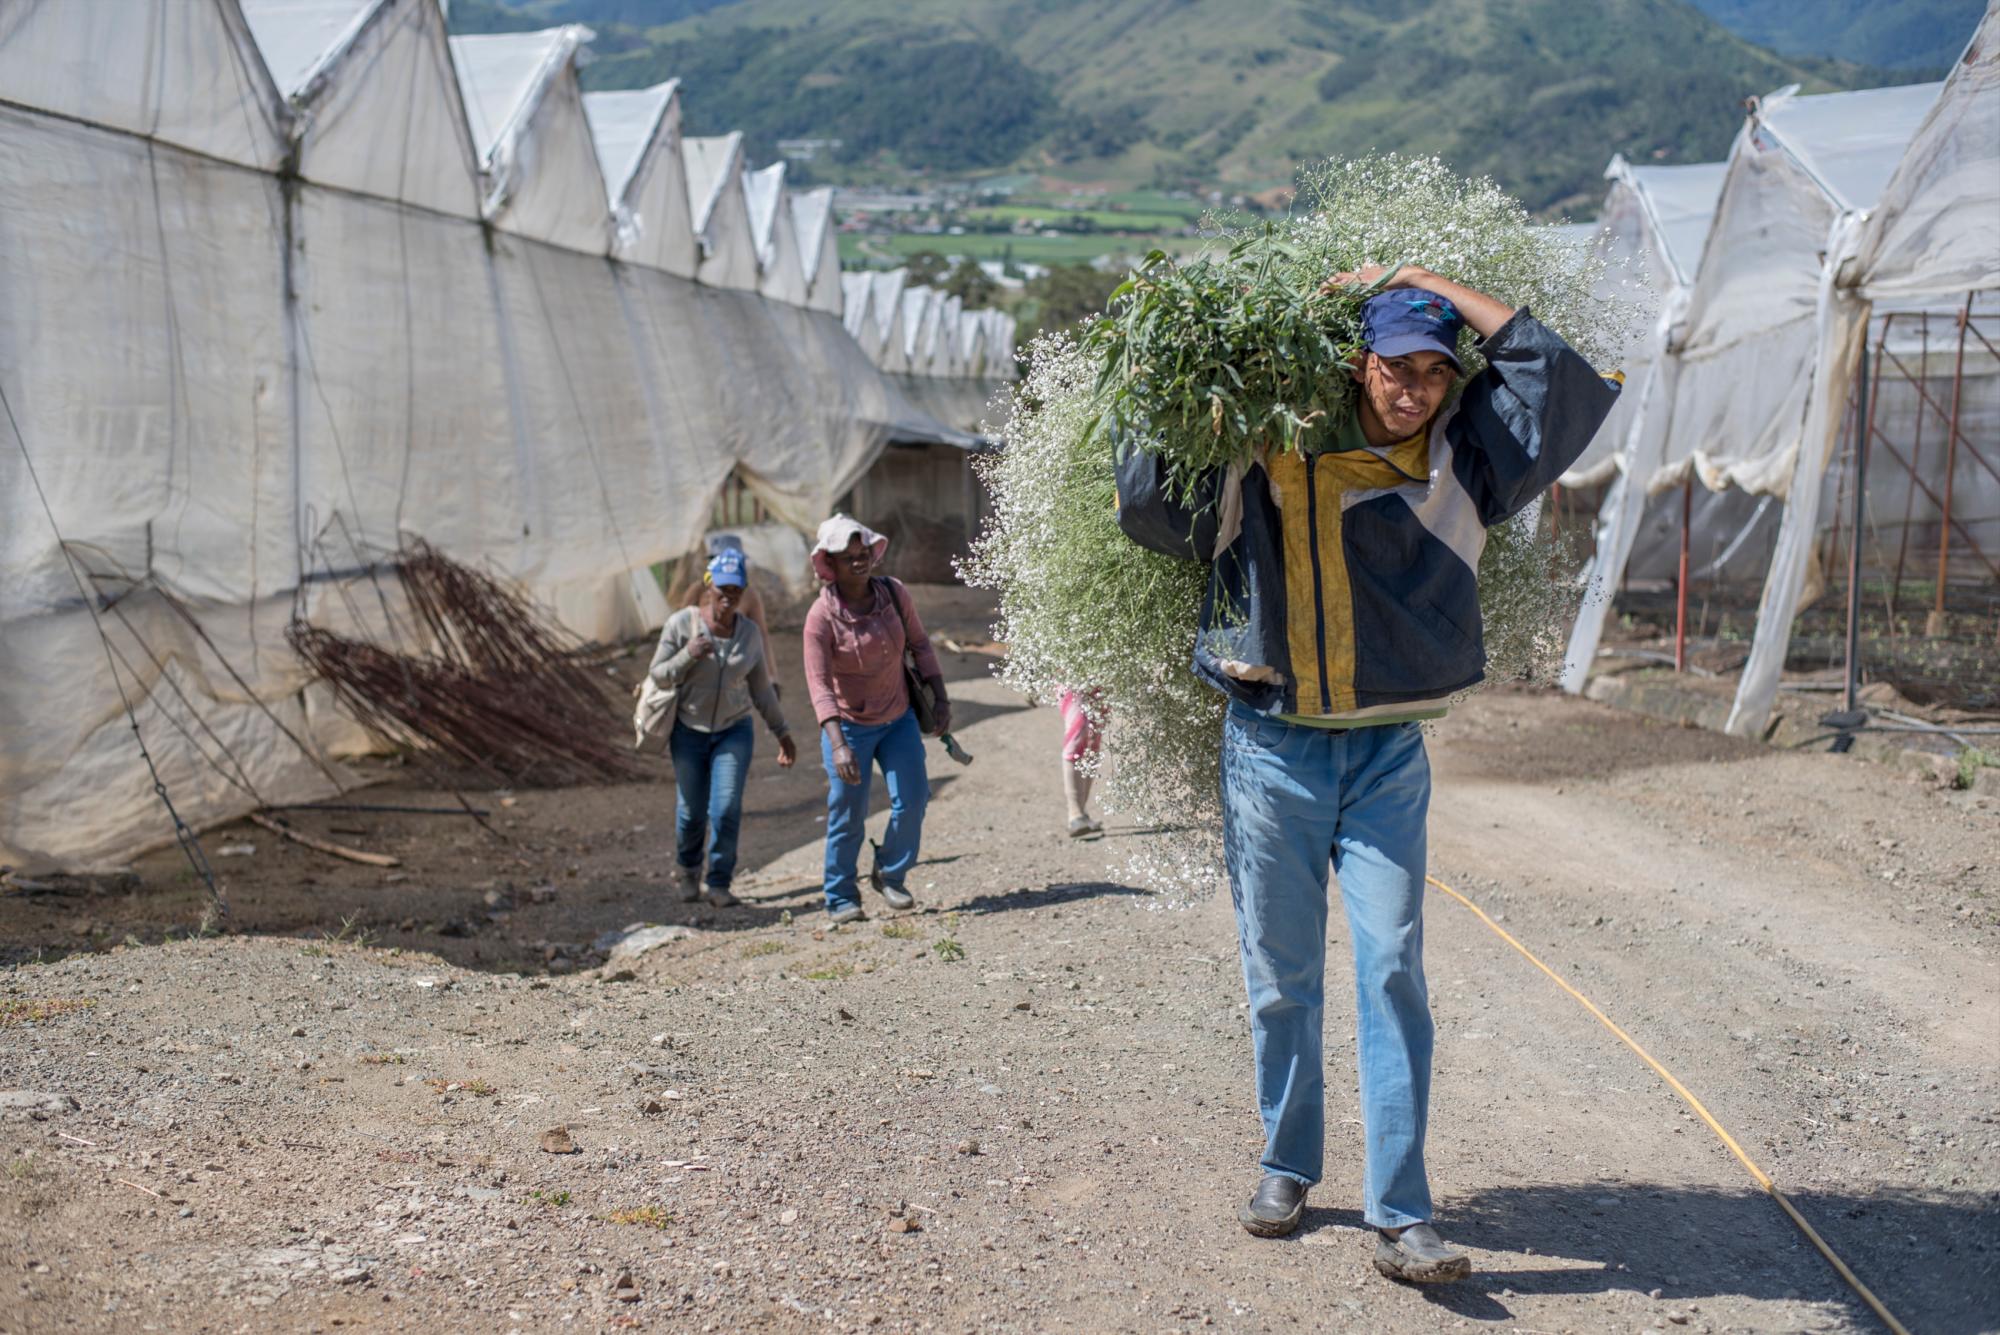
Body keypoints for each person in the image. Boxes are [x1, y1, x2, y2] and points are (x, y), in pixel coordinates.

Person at [1114, 266, 1620, 1282]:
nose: (1414, 389)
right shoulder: (1266, 444)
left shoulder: (1469, 458)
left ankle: (1401, 1214)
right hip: (1270, 744)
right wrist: (1184, 370)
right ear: (1356, 361)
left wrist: (1418, 280)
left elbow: (1555, 375)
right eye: (1396, 366)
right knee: (1280, 979)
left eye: (1436, 372)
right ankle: (1284, 1163)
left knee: (1392, 971)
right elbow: (1149, 510)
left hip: (1388, 754)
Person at [802, 515, 950, 925]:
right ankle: (839, 895)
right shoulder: (820, 617)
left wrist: (940, 696)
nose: (858, 562)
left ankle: (890, 872)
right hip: (848, 727)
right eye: (847, 557)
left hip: (898, 716)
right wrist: (838, 744)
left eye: (862, 553)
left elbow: (919, 644)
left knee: (914, 799)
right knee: (847, 813)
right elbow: (818, 684)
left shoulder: (893, 593)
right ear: (829, 564)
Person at [647, 548, 796, 907]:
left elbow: (761, 689)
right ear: (709, 586)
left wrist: (783, 733)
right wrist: (688, 655)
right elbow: (658, 674)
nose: (728, 598)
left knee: (726, 807)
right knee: (691, 812)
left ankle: (718, 881)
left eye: (736, 591)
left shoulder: (749, 635)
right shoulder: (682, 624)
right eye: (723, 589)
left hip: (733, 730)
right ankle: (687, 870)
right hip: (688, 730)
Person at [671, 533, 779, 678]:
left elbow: (762, 636)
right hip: (699, 669)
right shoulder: (697, 591)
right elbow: (678, 632)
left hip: (736, 668)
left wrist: (771, 676)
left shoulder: (749, 595)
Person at [1058, 688, 1103, 837]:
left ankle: (1081, 813)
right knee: (1077, 732)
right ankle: (1075, 813)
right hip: (1069, 677)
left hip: (1103, 679)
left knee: (1093, 740)